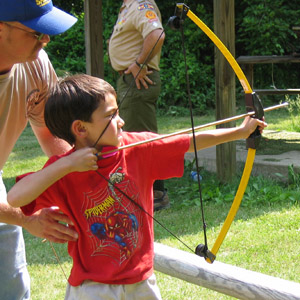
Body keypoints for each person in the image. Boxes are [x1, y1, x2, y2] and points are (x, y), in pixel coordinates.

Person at [7, 74, 267, 300]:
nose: (120, 121)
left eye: (117, 111)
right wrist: (65, 165)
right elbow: (16, 197)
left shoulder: (137, 148)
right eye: (111, 115)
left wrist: (239, 132)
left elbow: (189, 140)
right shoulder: (64, 170)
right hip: (92, 288)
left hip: (141, 281)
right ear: (80, 128)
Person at [0, 0, 78, 299]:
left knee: (12, 289)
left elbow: (48, 129)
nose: (46, 39)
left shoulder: (36, 62)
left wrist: (75, 176)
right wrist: (27, 218)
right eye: (36, 32)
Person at [108, 0, 168, 211]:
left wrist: (139, 62)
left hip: (139, 79)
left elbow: (157, 35)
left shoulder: (141, 4)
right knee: (135, 138)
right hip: (131, 80)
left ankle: (155, 194)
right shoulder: (129, 6)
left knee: (141, 138)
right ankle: (145, 192)